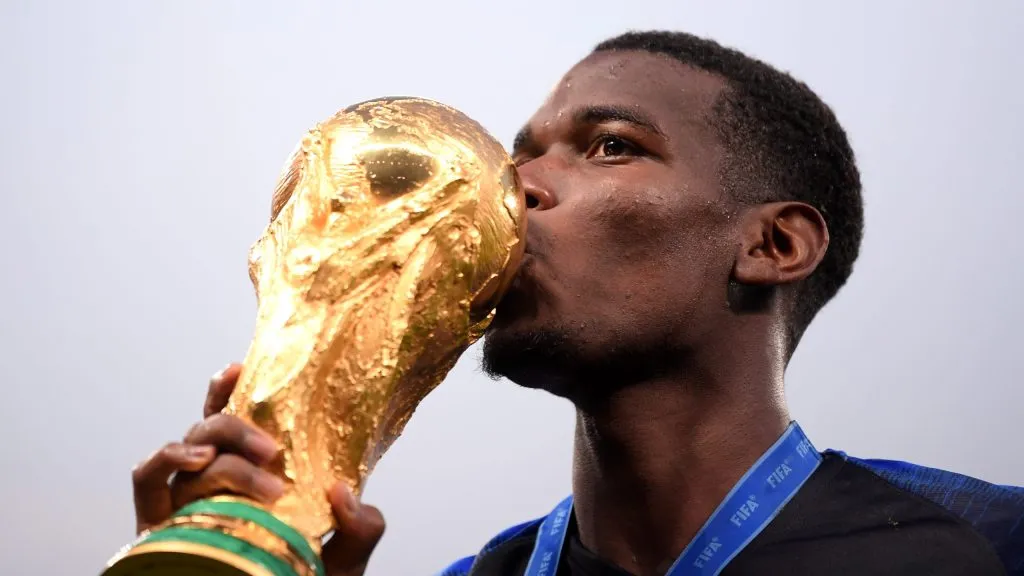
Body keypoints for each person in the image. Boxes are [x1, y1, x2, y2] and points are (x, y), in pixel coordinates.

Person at [130, 30, 1024, 575]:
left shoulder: (988, 545)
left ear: (773, 246)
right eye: (520, 155)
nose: (514, 189)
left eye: (610, 147)